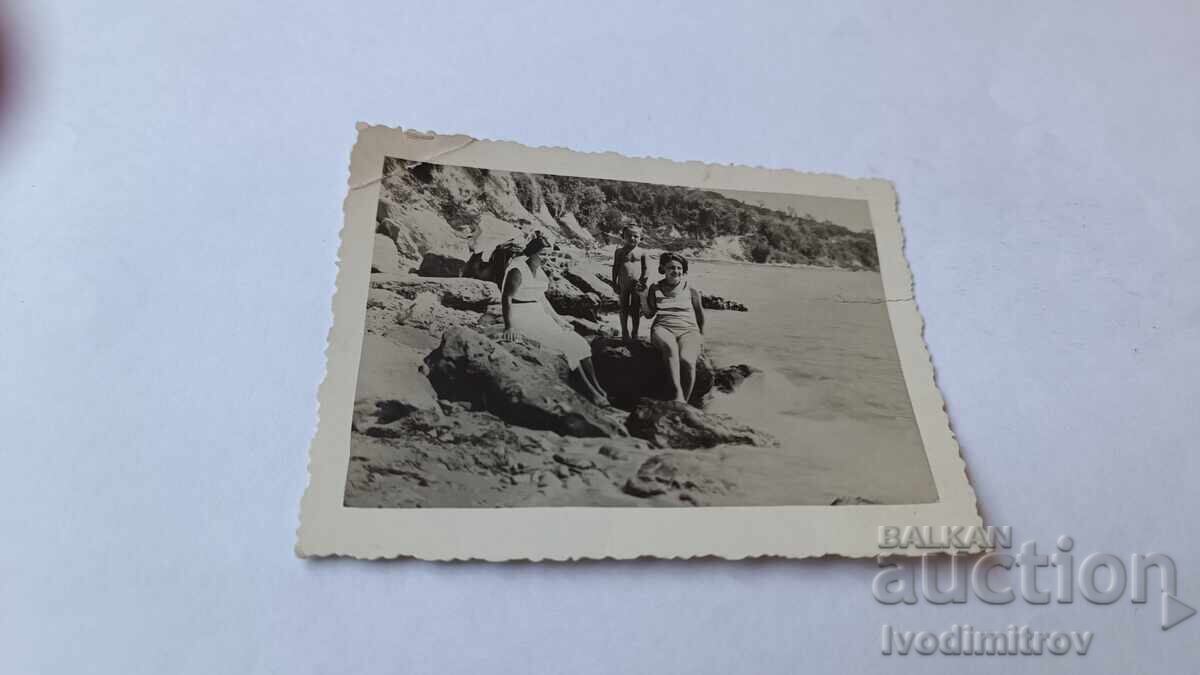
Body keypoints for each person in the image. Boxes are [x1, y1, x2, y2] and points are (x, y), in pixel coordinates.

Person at [501, 233, 611, 405]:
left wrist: (559, 320)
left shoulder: (540, 271)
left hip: (538, 313)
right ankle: (591, 393)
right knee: (565, 348)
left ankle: (599, 388)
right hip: (521, 313)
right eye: (543, 254)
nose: (547, 258)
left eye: (550, 254)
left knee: (578, 342)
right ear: (532, 253)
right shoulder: (517, 269)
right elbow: (506, 297)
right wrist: (509, 326)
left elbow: (541, 299)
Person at [643, 252, 705, 403]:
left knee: (687, 361)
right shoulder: (655, 287)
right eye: (671, 267)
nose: (676, 271)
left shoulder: (691, 289)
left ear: (683, 270)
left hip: (688, 330)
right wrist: (642, 296)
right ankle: (677, 395)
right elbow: (649, 314)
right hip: (663, 327)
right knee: (670, 350)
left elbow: (699, 314)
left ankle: (684, 403)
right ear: (663, 268)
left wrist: (701, 336)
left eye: (679, 268)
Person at [611, 223, 649, 340]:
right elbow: (615, 267)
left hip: (636, 284)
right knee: (623, 307)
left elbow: (645, 268)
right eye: (629, 236)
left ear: (641, 238)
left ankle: (635, 332)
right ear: (623, 237)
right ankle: (624, 331)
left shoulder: (642, 252)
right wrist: (614, 282)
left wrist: (643, 281)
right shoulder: (619, 252)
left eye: (636, 236)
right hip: (623, 283)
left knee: (636, 309)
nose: (632, 238)